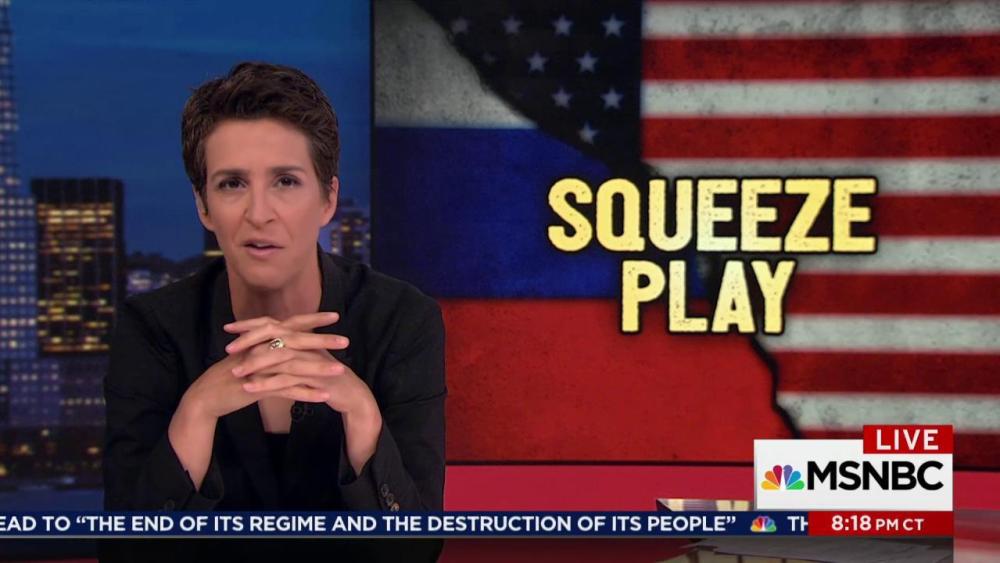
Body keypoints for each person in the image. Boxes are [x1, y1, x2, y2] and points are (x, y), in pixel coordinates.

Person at [100, 61, 446, 562]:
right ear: (203, 206)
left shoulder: (401, 321)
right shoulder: (153, 329)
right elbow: (125, 554)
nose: (259, 213)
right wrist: (196, 413)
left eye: (285, 181)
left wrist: (362, 415)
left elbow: (415, 553)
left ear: (327, 199)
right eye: (232, 184)